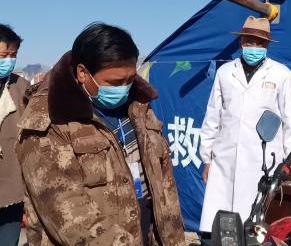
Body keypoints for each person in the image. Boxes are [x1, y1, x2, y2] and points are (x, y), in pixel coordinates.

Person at [16, 23, 185, 245]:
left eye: (130, 79)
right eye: (114, 83)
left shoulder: (138, 104)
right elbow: (69, 216)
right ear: (83, 73)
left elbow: (165, 185)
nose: (124, 89)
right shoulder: (50, 122)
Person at [199, 16, 291, 233]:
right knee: (221, 218)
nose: (254, 47)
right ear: (241, 42)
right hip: (225, 155)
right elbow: (213, 116)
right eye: (249, 42)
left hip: (264, 158)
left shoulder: (282, 74)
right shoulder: (225, 72)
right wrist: (207, 157)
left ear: (267, 46)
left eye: (260, 43)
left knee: (256, 219)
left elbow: (290, 119)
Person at [0, 25, 29, 246]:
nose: (9, 61)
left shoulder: (22, 88)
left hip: (12, 193)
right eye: (3, 56)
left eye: (13, 55)